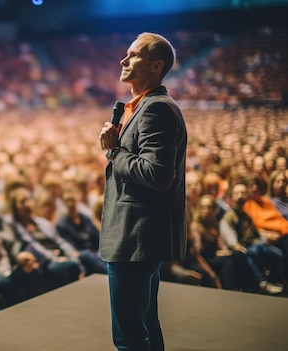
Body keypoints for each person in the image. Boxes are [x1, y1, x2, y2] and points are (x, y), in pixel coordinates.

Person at [98, 32, 187, 351]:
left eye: (133, 55)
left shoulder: (156, 109)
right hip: (139, 238)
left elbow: (157, 174)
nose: (123, 60)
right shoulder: (142, 107)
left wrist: (113, 152)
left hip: (135, 239)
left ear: (155, 66)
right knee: (146, 324)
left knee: (129, 336)